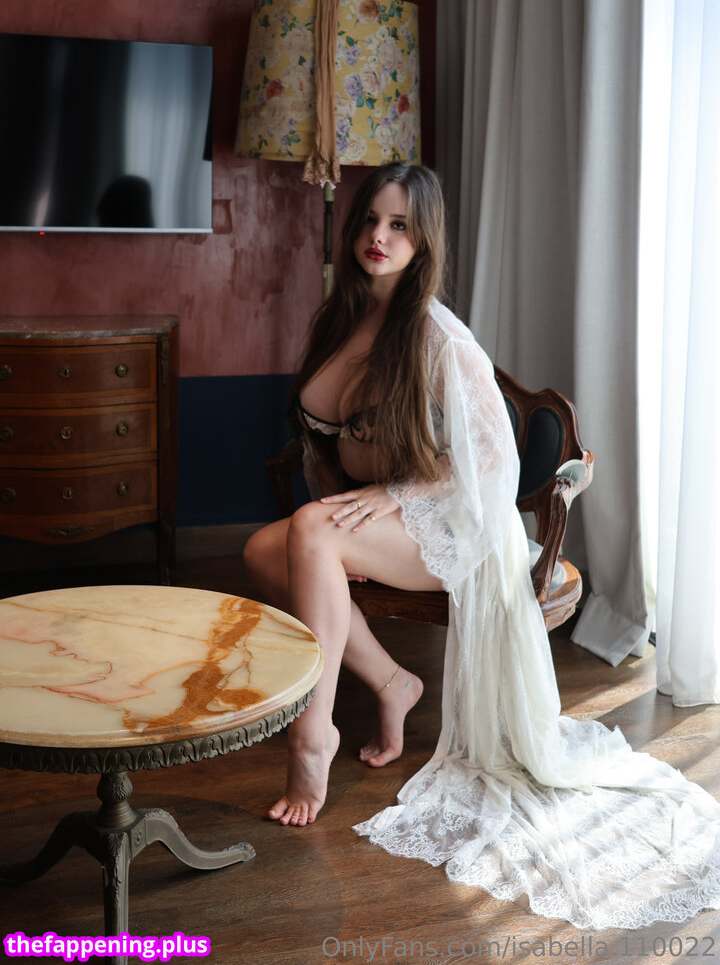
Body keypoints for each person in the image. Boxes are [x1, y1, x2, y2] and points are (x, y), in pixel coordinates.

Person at [244, 163, 720, 930]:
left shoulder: (437, 334)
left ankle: (313, 735)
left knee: (307, 534)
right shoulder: (342, 317)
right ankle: (394, 683)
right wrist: (347, 498)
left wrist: (389, 494)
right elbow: (328, 438)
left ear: (424, 239)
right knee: (266, 553)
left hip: (458, 524)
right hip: (395, 515)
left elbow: (494, 459)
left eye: (399, 225)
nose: (378, 236)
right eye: (370, 220)